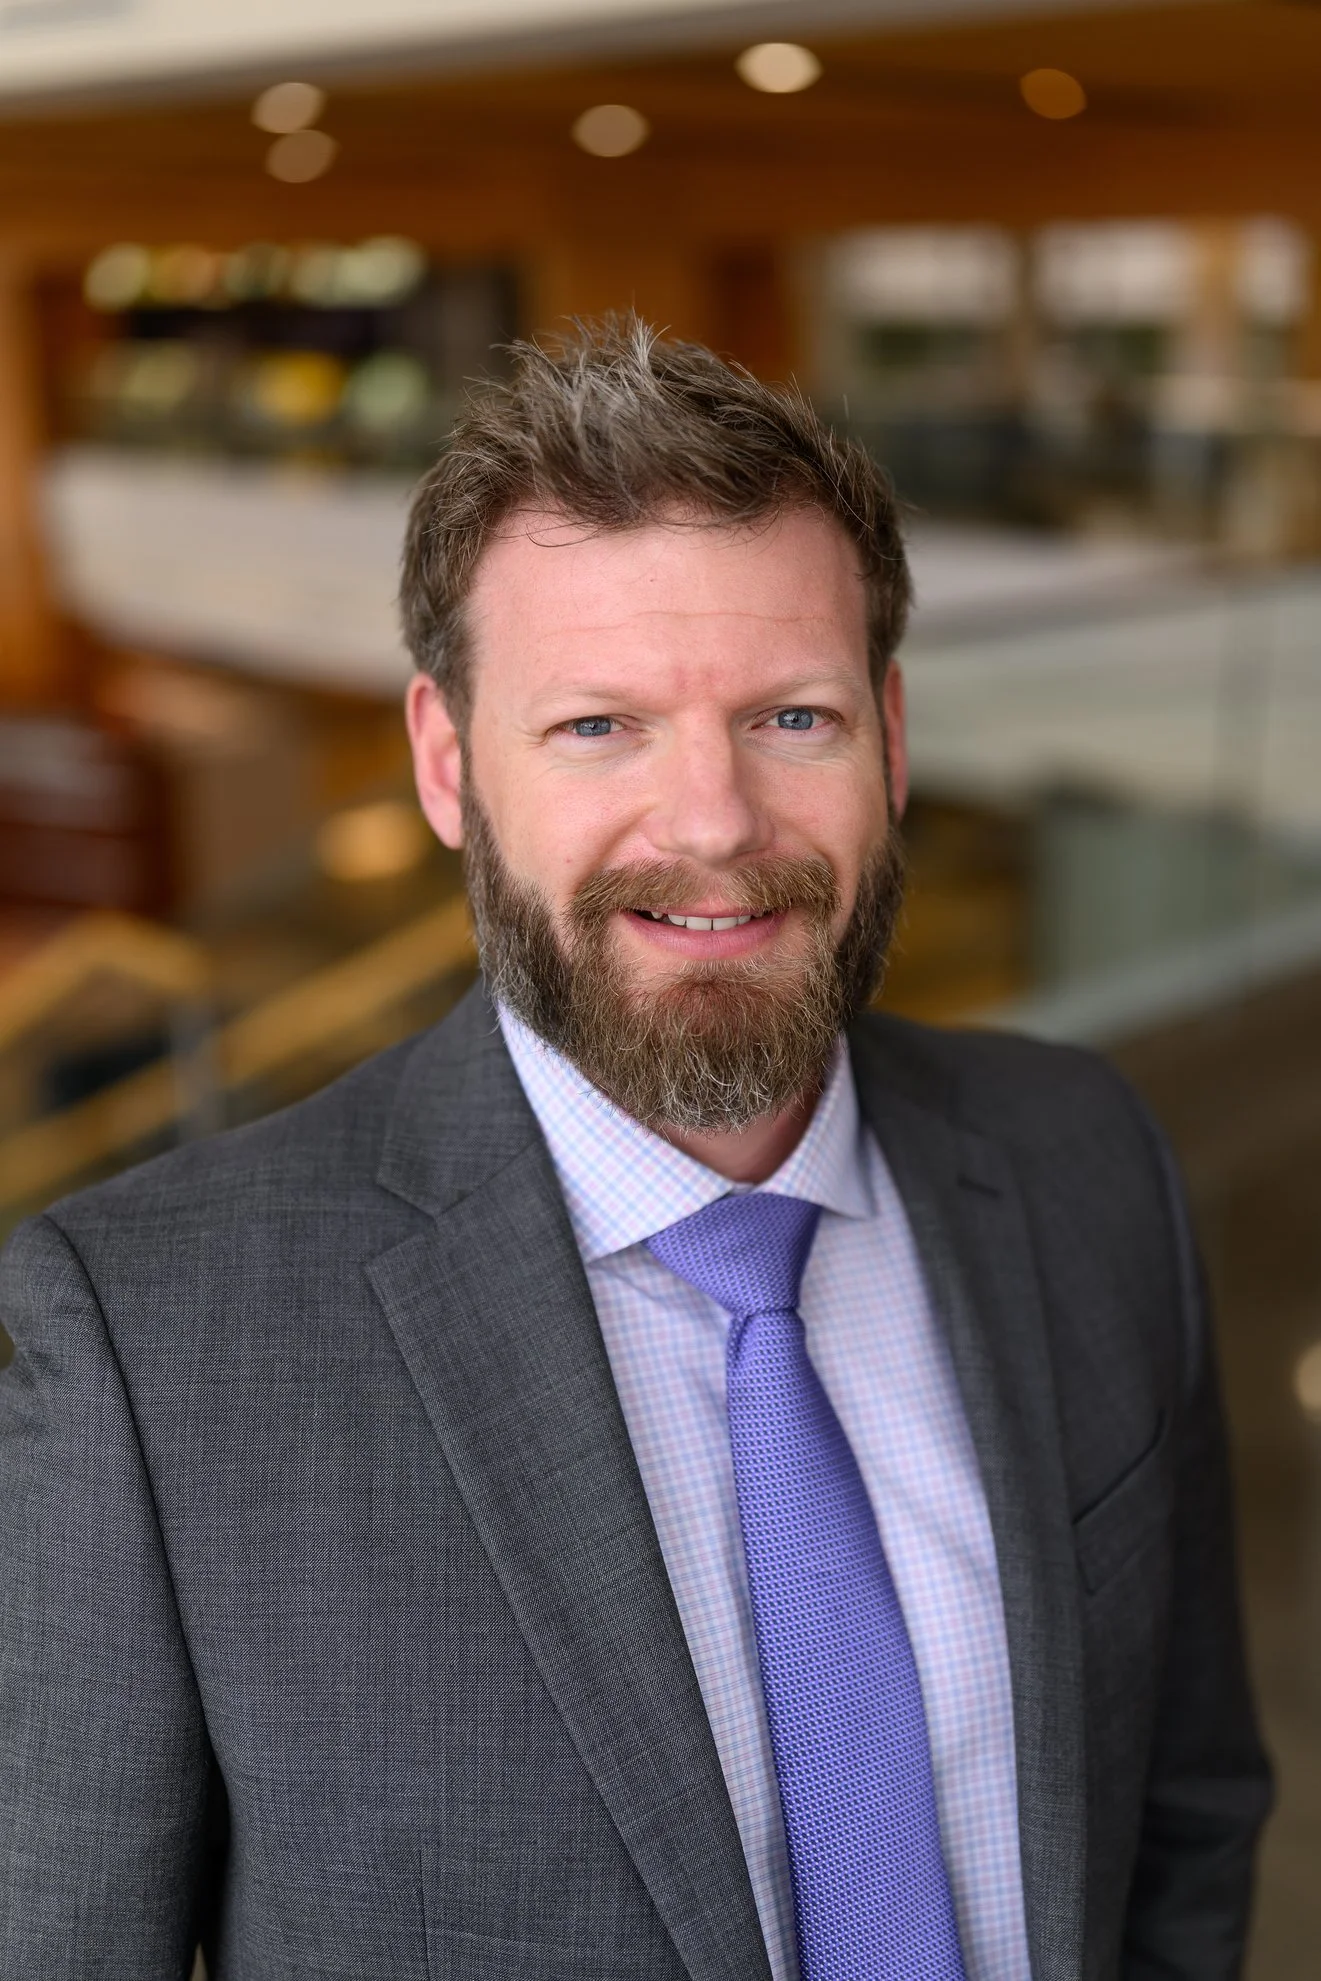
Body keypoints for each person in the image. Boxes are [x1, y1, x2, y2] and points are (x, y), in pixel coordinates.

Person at [1, 317, 1269, 1981]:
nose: (714, 822)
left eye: (792, 718)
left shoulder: (1082, 1155)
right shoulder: (153, 1339)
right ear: (449, 766)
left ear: (892, 741)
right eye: (599, 725)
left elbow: (1187, 1808)